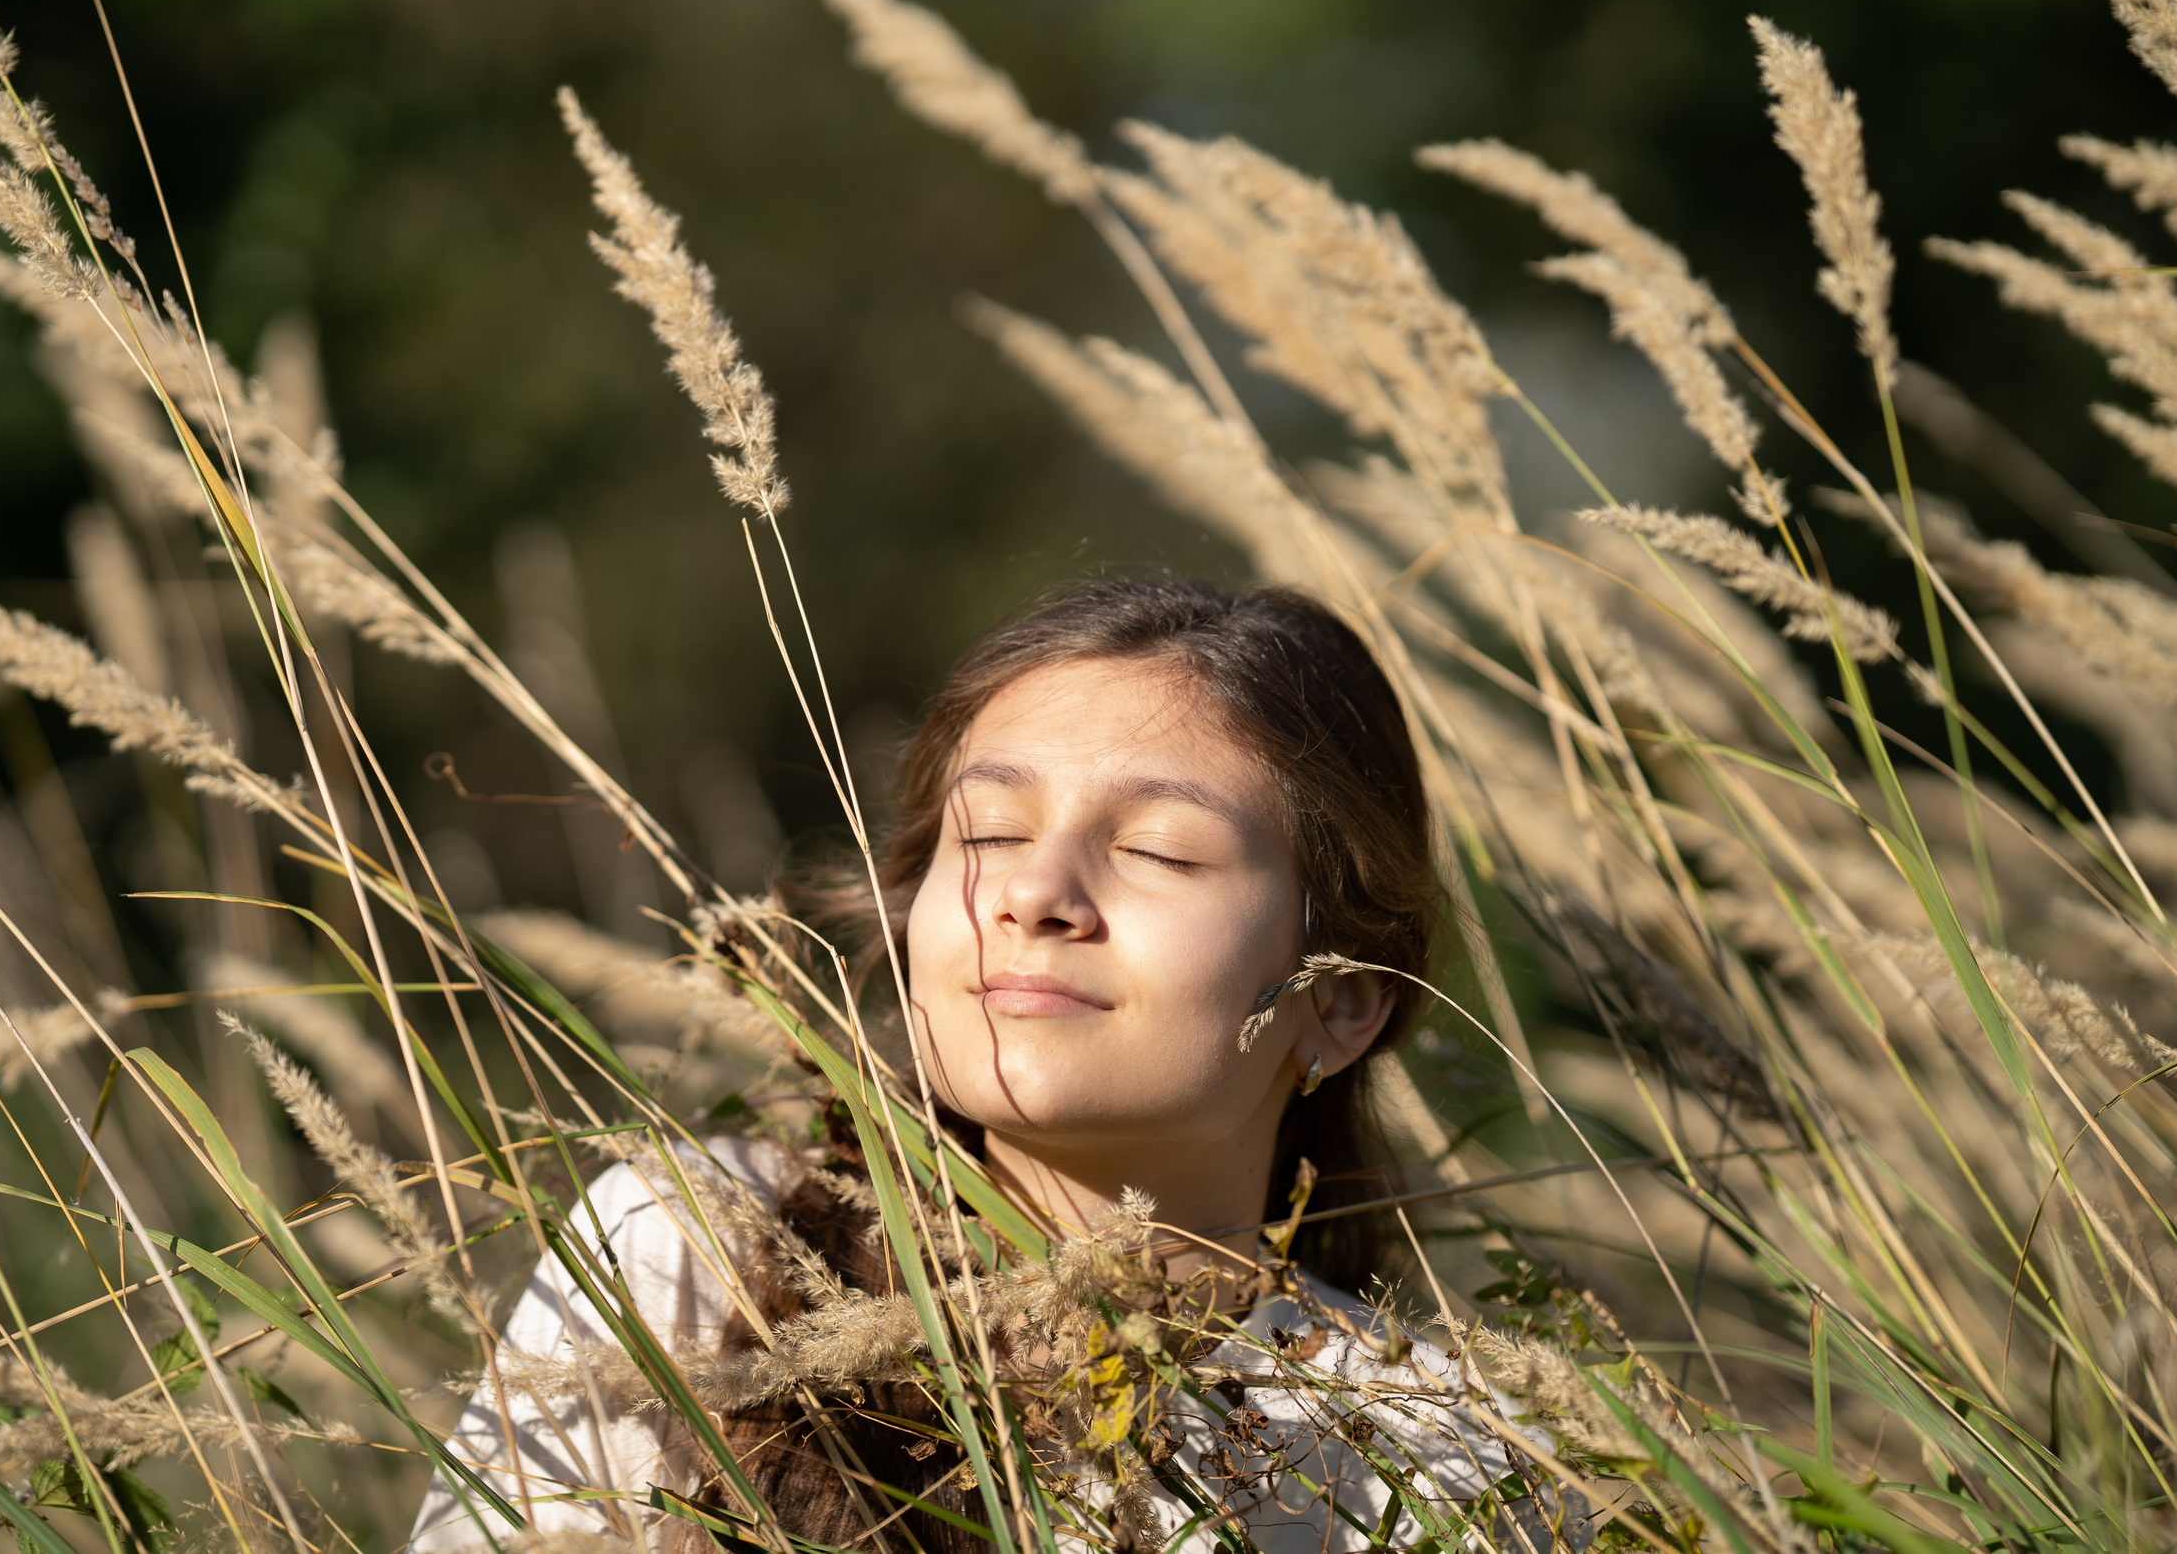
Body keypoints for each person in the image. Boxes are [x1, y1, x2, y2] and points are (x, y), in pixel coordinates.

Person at [411, 577, 1574, 1553]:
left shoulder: (1448, 1464)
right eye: (991, 834)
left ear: (1345, 999)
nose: (1032, 893)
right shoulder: (690, 1247)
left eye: (1158, 850)